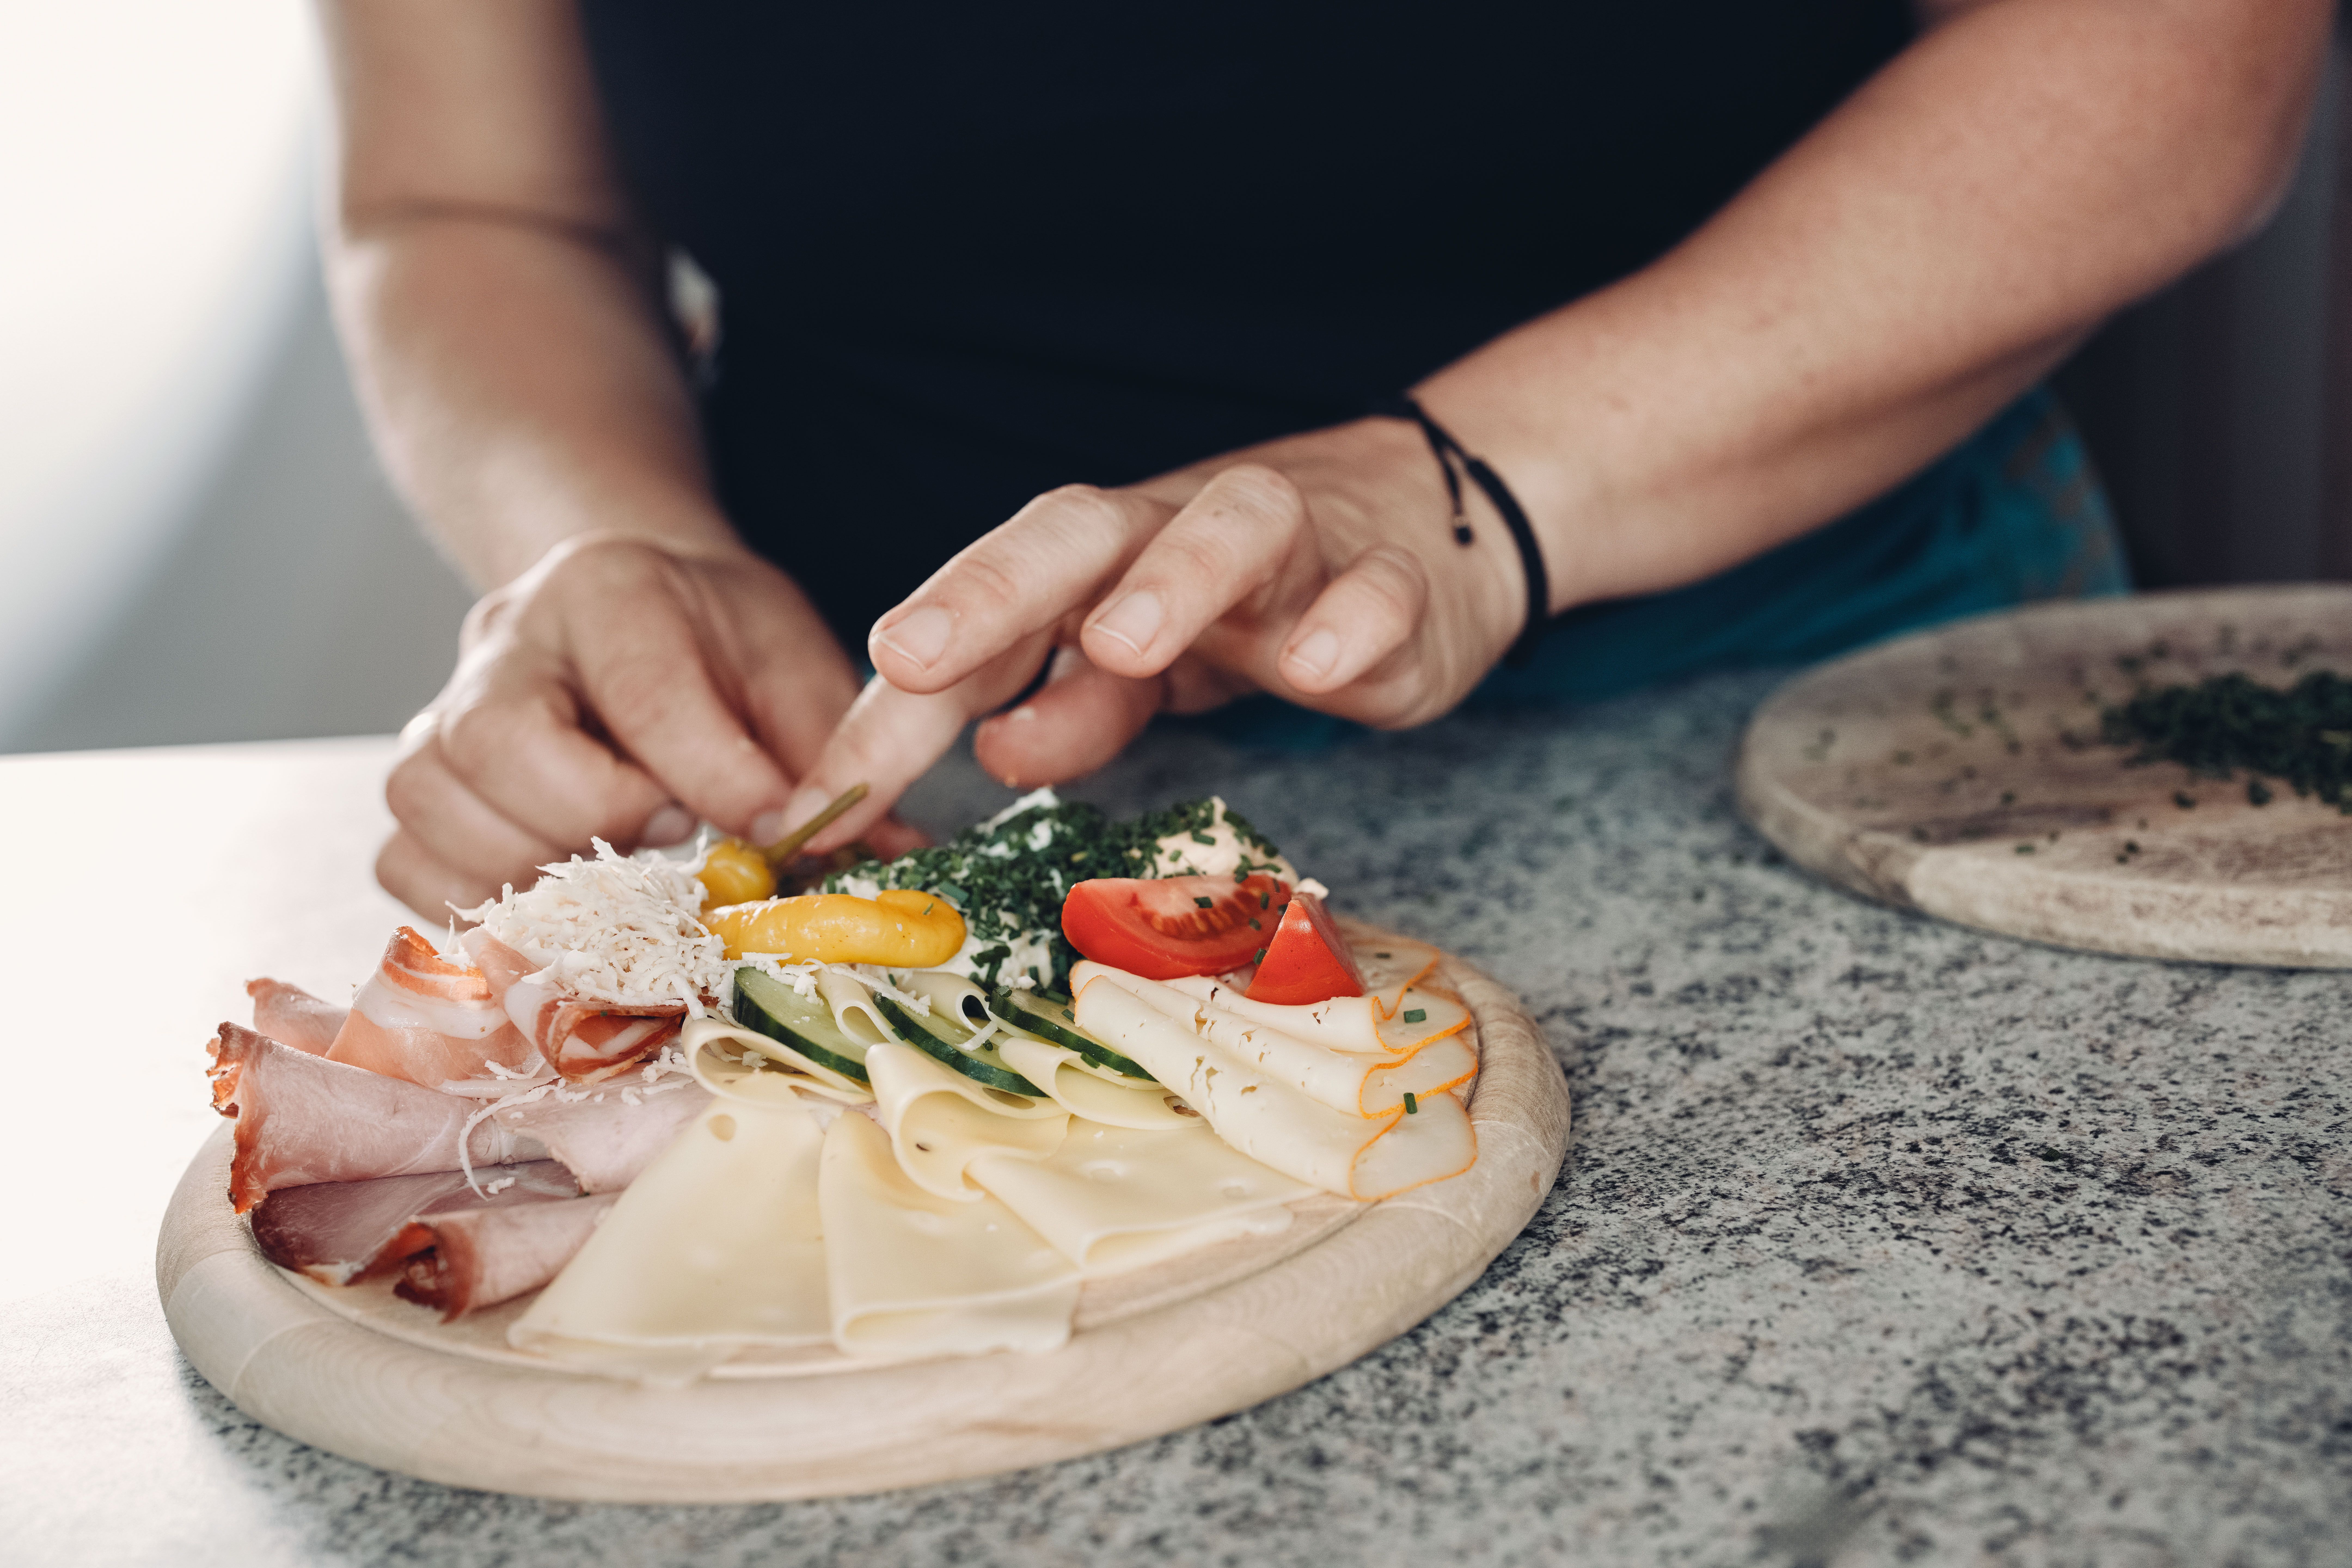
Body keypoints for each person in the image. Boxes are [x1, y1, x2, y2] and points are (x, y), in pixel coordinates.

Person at [323, 0, 2330, 918]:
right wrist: (606, 545)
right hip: (877, 772)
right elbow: (470, 206)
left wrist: (1463, 496)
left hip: (1834, 655)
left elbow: (2180, 50)